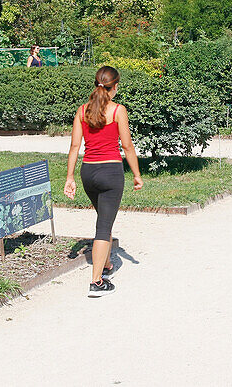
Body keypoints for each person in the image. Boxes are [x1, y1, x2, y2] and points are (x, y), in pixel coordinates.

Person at [64, 66, 143, 296]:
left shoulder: (82, 111)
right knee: (104, 225)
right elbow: (127, 146)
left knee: (104, 218)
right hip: (110, 173)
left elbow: (74, 147)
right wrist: (137, 175)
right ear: (115, 87)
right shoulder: (118, 111)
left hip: (88, 173)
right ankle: (96, 282)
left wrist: (70, 177)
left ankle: (106, 262)